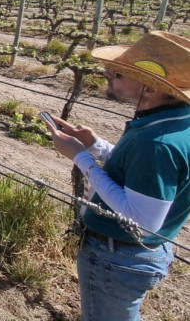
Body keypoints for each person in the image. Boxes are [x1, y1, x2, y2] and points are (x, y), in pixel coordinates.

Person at [44, 31, 190, 321]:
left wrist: (80, 158)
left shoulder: (156, 142)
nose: (108, 73)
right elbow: (138, 175)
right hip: (132, 254)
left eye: (121, 73)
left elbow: (144, 223)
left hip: (119, 256)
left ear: (150, 88)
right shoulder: (172, 123)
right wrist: (96, 147)